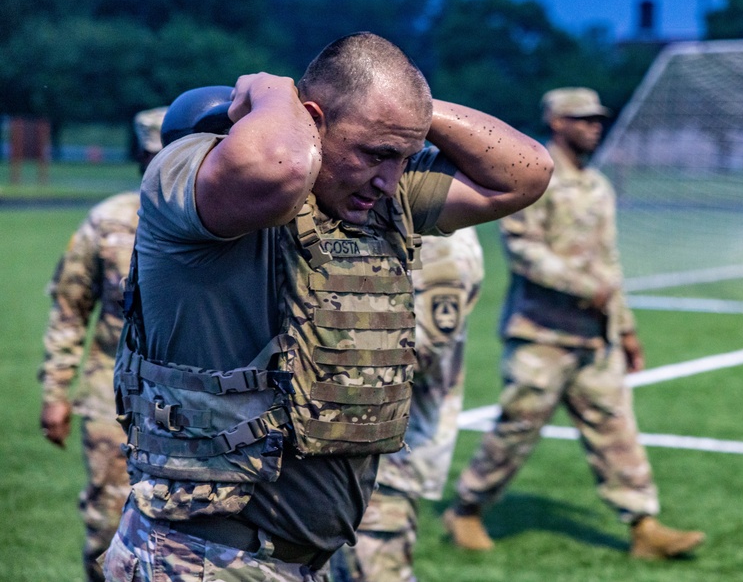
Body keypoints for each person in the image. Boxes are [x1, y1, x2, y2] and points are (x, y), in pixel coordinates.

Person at [103, 32, 553, 582]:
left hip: (294, 563)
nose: (389, 181)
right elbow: (280, 167)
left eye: (403, 157)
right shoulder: (190, 175)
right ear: (312, 120)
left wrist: (405, 111)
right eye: (377, 154)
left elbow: (526, 174)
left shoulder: (376, 197)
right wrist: (274, 91)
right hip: (202, 559)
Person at [443, 87, 706, 560]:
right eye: (583, 119)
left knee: (616, 430)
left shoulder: (598, 186)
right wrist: (584, 287)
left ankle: (643, 526)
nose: (594, 126)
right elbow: (523, 251)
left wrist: (624, 328)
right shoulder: (533, 178)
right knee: (516, 430)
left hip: (595, 337)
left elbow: (611, 264)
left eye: (598, 119)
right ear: (557, 123)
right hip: (541, 335)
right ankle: (466, 508)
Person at [39, 106, 167, 582]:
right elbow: (70, 308)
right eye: (154, 156)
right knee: (108, 528)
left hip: (191, 402)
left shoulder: (215, 224)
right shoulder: (108, 221)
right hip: (111, 396)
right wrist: (55, 393)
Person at [332, 227, 484, 582]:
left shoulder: (440, 242)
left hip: (390, 453)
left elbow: (421, 350)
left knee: (374, 570)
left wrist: (318, 364)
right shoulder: (392, 222)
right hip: (349, 441)